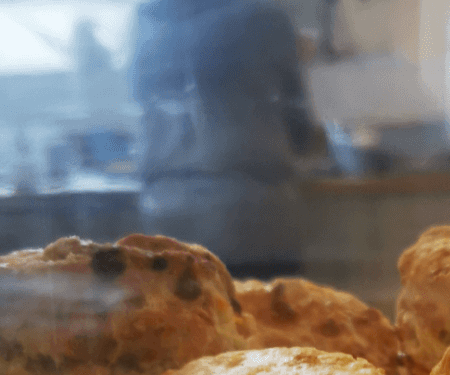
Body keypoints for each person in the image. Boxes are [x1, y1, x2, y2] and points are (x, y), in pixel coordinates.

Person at [131, 0, 317, 278]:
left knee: (184, 315)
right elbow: (299, 126)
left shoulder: (147, 18)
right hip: (254, 212)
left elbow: (144, 100)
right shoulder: (267, 16)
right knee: (262, 314)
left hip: (167, 213)